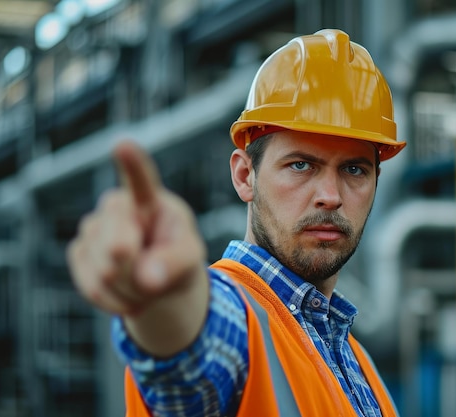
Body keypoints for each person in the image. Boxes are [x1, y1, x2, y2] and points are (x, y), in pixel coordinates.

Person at [67, 28, 406, 417]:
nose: (330, 194)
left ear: (376, 181)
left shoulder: (356, 361)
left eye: (354, 169)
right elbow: (198, 352)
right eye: (300, 164)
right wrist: (165, 302)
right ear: (245, 176)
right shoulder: (239, 319)